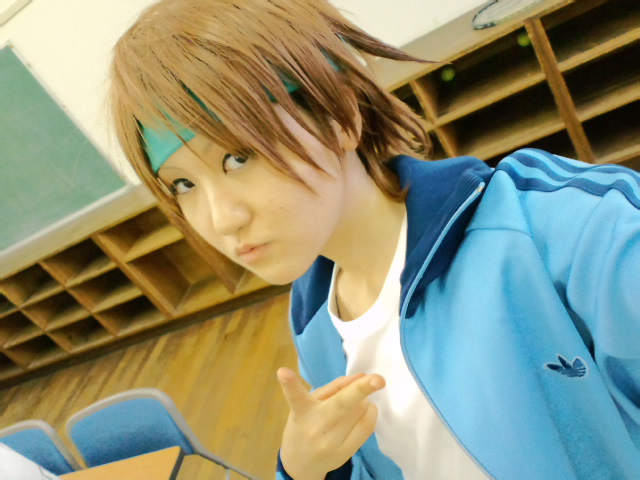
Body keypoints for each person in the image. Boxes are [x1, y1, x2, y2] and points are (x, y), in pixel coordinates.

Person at [108, 0, 640, 478]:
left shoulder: (567, 230)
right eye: (183, 184)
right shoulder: (314, 318)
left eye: (237, 157)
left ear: (339, 114)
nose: (221, 219)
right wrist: (309, 470)